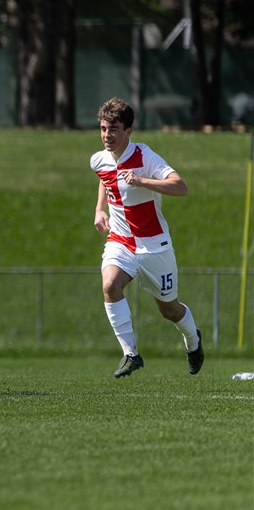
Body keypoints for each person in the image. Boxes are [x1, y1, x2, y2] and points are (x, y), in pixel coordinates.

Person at [91, 97, 202, 377]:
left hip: (154, 245)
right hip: (120, 241)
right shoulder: (98, 159)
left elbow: (181, 187)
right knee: (110, 285)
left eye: (114, 129)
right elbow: (106, 179)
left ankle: (193, 341)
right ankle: (131, 354)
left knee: (170, 310)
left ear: (129, 131)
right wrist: (99, 209)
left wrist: (141, 180)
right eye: (104, 128)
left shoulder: (144, 156)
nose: (107, 135)